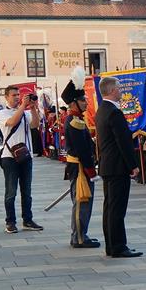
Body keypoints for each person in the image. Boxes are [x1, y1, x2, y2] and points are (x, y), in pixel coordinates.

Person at [96, 76, 142, 258]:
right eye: (119, 88)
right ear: (112, 90)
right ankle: (118, 246)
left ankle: (111, 245)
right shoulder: (114, 112)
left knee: (110, 207)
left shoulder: (102, 110)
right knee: (116, 209)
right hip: (117, 166)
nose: (121, 91)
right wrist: (133, 165)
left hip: (108, 165)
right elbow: (123, 142)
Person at [61, 67, 100, 248]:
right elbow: (83, 150)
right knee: (81, 203)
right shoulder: (75, 121)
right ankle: (78, 237)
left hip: (79, 167)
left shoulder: (78, 119)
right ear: (74, 103)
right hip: (80, 168)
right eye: (83, 100)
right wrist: (90, 170)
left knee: (84, 203)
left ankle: (81, 234)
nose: (86, 102)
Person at [0, 86, 43, 234]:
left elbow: (35, 125)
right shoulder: (2, 113)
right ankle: (10, 222)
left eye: (18, 95)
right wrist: (23, 106)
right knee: (11, 192)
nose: (17, 97)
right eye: (14, 95)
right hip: (9, 157)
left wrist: (34, 108)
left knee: (27, 191)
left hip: (26, 156)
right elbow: (11, 122)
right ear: (6, 97)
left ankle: (28, 220)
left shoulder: (25, 113)